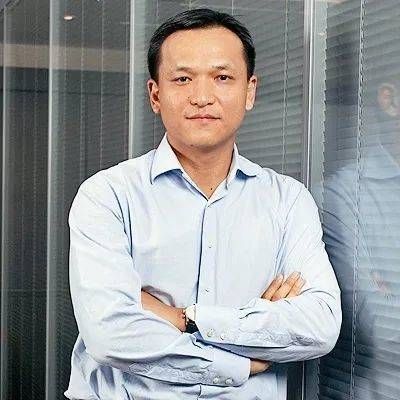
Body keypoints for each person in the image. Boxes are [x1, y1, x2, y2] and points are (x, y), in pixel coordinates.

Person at [64, 8, 341, 400]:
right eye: (182, 79)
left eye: (222, 77)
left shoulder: (287, 201)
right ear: (155, 95)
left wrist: (186, 319)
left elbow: (319, 325)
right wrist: (243, 354)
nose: (202, 97)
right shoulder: (107, 196)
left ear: (250, 91)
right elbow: (110, 334)